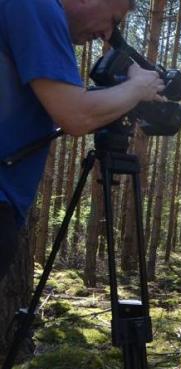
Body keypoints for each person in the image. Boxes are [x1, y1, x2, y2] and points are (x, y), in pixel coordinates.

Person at [0, 0, 165, 282]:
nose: (107, 33)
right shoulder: (38, 7)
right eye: (112, 19)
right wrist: (138, 88)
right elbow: (75, 115)